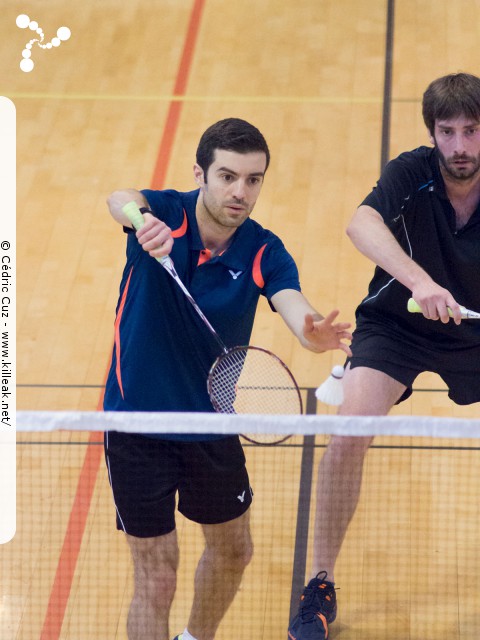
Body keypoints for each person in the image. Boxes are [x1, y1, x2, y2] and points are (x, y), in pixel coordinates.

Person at [103, 117, 352, 640]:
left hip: (210, 423)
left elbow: (295, 311)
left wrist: (313, 333)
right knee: (157, 576)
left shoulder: (263, 250)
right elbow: (119, 196)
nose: (241, 192)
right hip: (136, 426)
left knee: (235, 551)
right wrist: (138, 217)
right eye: (228, 176)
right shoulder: (164, 215)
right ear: (201, 173)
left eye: (254, 180)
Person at [288, 72, 480, 640]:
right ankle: (318, 586)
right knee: (347, 437)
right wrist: (420, 282)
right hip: (401, 324)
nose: (461, 147)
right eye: (448, 132)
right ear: (433, 134)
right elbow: (361, 222)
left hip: (474, 331)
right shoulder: (412, 172)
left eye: (472, 131)